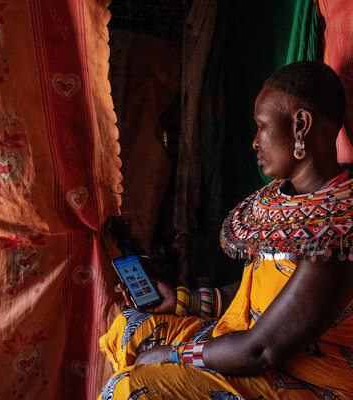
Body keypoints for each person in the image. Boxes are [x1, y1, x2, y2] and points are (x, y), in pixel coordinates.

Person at [98, 61, 353, 399]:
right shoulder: (289, 200)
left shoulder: (337, 230)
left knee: (131, 388)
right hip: (251, 343)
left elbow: (261, 350)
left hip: (302, 376)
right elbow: (258, 296)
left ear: (300, 125)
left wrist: (173, 357)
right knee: (129, 329)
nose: (254, 142)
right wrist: (183, 300)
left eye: (261, 126)